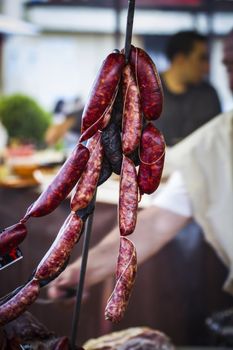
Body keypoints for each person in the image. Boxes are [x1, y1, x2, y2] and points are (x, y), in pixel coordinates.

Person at [48, 30, 233, 300]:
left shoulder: (207, 99)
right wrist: (80, 274)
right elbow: (158, 221)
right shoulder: (216, 143)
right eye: (229, 66)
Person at [156, 30, 221, 145]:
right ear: (180, 59)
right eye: (201, 58)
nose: (207, 67)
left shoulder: (209, 95)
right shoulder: (147, 93)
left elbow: (217, 141)